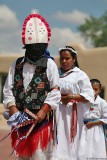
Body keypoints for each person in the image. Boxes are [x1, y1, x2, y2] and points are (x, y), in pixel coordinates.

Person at [3, 13, 61, 160]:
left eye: (39, 46)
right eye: (33, 46)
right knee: (20, 157)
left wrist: (44, 110)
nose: (36, 49)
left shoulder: (50, 65)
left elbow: (55, 90)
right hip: (20, 125)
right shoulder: (16, 65)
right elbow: (7, 90)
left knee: (39, 156)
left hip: (40, 125)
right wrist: (13, 110)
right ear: (27, 46)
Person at [51, 46, 94, 160]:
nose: (64, 61)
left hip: (72, 113)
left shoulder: (80, 75)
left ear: (74, 59)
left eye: (67, 58)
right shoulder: (54, 73)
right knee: (55, 137)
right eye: (62, 58)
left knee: (70, 140)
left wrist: (72, 96)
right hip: (56, 111)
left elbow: (89, 96)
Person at [78, 79, 107, 159]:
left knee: (95, 150)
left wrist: (93, 123)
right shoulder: (82, 101)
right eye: (91, 89)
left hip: (96, 129)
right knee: (83, 150)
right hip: (83, 128)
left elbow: (105, 118)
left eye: (96, 89)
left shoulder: (102, 102)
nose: (93, 91)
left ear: (99, 90)